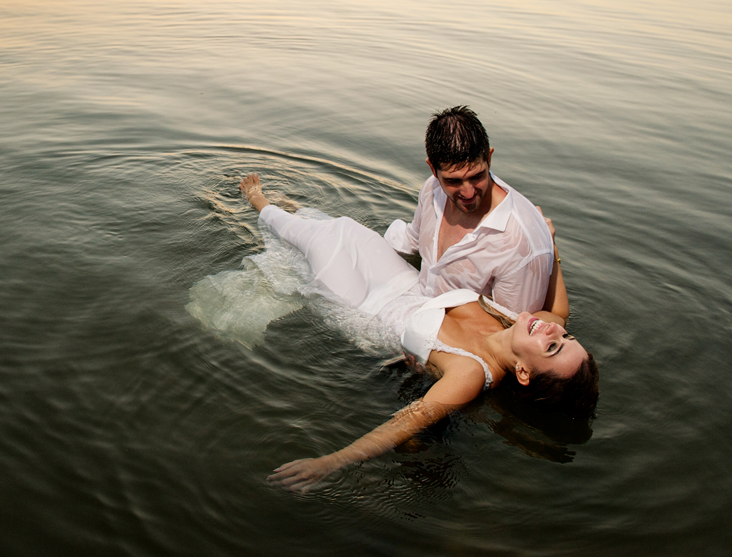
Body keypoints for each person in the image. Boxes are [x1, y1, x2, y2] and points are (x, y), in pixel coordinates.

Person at [237, 174, 598, 493]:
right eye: (567, 338)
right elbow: (561, 313)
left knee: (317, 239)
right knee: (345, 227)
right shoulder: (526, 322)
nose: (554, 330)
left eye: (553, 346)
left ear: (523, 372)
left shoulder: (471, 374)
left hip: (364, 308)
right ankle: (284, 212)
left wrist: (330, 463)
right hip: (402, 284)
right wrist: (550, 242)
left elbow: (408, 422)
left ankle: (259, 202)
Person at [387, 106, 554, 315]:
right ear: (432, 169)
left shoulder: (518, 241)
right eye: (453, 181)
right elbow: (412, 240)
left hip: (454, 333)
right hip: (417, 307)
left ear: (489, 158)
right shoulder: (432, 189)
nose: (468, 192)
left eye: (476, 176)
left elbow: (513, 326)